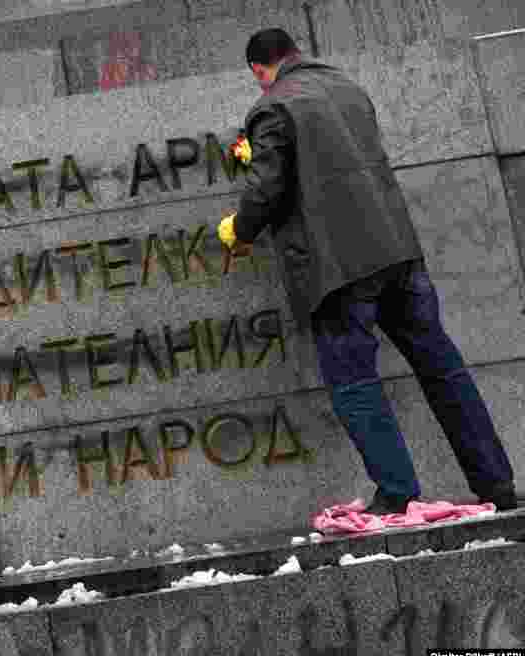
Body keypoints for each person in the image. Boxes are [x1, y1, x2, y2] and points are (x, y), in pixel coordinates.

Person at [218, 28, 518, 514]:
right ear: (295, 53)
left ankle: (397, 493)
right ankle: (497, 483)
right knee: (443, 370)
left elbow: (266, 188)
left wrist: (240, 232)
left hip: (338, 269)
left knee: (355, 383)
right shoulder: (347, 87)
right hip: (399, 254)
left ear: (258, 69)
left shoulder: (272, 107)